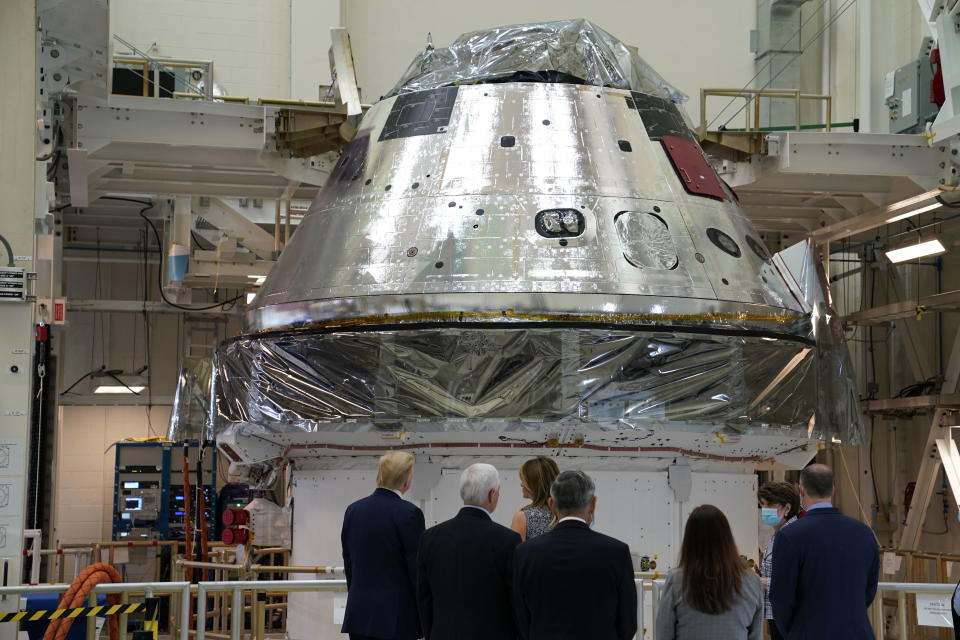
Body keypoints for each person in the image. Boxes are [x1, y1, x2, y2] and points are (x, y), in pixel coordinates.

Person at [513, 470, 637, 640]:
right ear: (593, 503)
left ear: (551, 504)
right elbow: (628, 623)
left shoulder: (525, 553)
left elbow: (520, 619)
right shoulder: (617, 552)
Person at [770, 464, 879, 639]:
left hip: (809, 632)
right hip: (858, 632)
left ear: (801, 490)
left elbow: (780, 597)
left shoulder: (790, 536)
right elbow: (870, 588)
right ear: (833, 490)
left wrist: (794, 631)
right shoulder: (864, 533)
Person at [417, 463, 521, 640]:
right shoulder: (508, 540)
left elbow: (424, 598)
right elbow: (515, 601)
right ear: (492, 494)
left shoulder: (430, 538)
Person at [341, 451, 425, 640]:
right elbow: (417, 570)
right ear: (406, 480)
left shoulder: (353, 510)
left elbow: (349, 562)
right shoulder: (410, 513)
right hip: (395, 618)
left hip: (359, 613)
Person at [655, 504, 762, 640]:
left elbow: (664, 634)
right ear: (727, 538)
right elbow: (755, 635)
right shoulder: (752, 582)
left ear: (689, 540)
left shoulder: (677, 580)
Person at [757, 482, 801, 640]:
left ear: (787, 508)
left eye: (769, 505)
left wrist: (762, 582)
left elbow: (796, 580)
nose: (764, 510)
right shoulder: (778, 534)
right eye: (762, 504)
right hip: (776, 613)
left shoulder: (792, 536)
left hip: (790, 614)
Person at [510, 456, 559, 541]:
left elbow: (516, 553)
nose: (521, 484)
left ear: (534, 484)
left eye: (523, 480)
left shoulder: (523, 517)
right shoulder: (566, 514)